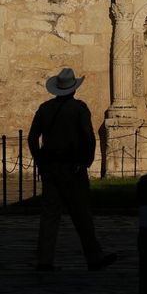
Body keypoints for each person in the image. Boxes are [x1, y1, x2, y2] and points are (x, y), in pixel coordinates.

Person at [28, 67, 116, 272]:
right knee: (81, 214)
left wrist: (40, 162)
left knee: (49, 215)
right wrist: (86, 161)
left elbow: (32, 138)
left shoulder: (44, 109)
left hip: (50, 167)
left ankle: (44, 260)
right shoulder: (78, 109)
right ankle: (94, 257)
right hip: (72, 167)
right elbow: (88, 137)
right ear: (73, 89)